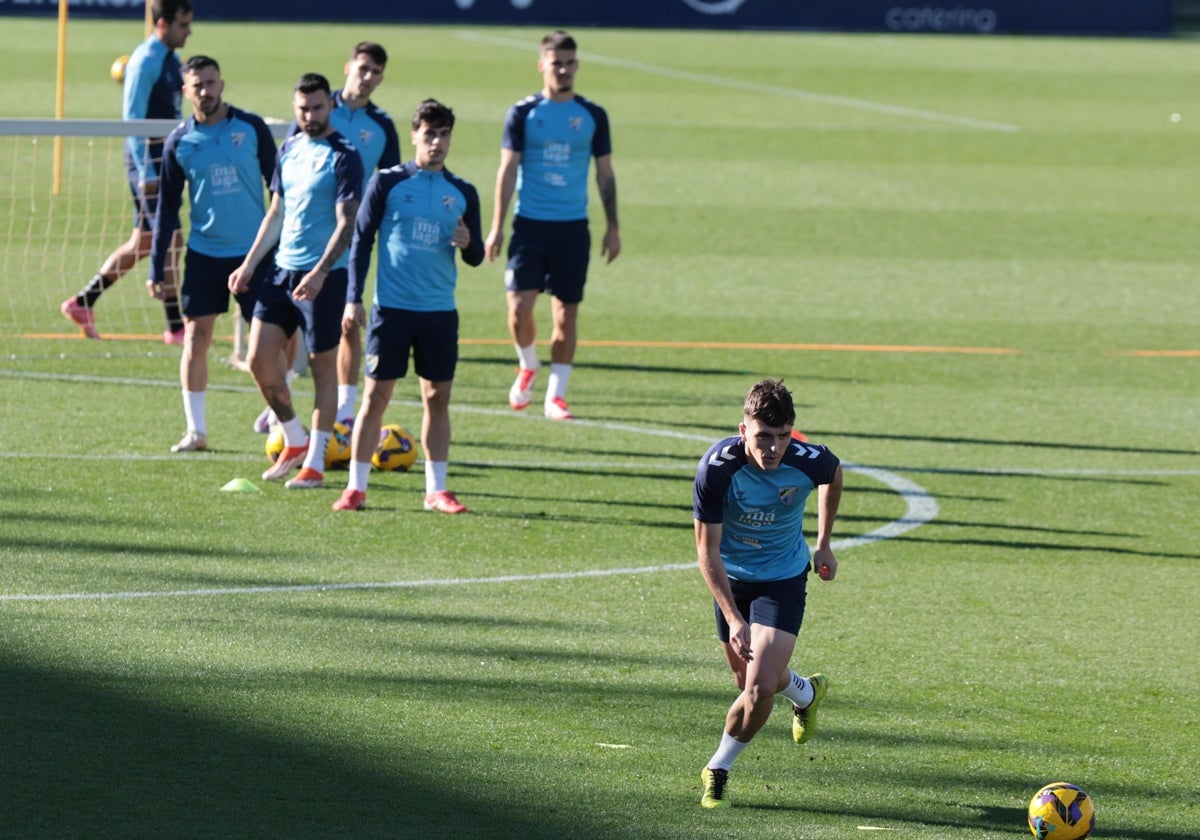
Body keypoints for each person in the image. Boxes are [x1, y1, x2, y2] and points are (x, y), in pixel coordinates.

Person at [692, 379, 844, 809]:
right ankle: (804, 693)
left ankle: (718, 767)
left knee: (757, 690)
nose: (773, 447)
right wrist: (735, 619)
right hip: (732, 581)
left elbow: (833, 474)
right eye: (763, 436)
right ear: (743, 431)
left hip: (783, 578)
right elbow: (707, 552)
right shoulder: (718, 469)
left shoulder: (806, 459)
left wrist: (824, 542)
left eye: (782, 436)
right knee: (748, 684)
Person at [334, 98, 484, 514]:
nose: (436, 142)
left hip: (438, 311)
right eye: (430, 134)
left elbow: (475, 255)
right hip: (392, 310)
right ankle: (355, 488)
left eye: (444, 134)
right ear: (415, 134)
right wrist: (353, 298)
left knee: (437, 397)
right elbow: (362, 240)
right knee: (376, 397)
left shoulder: (463, 192)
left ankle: (436, 490)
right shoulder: (387, 182)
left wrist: (471, 244)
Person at [255, 42, 401, 433]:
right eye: (363, 68)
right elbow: (288, 173)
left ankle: (345, 407)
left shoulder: (382, 126)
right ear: (349, 67)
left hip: (351, 235)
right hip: (303, 238)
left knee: (347, 323)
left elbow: (389, 183)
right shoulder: (315, 110)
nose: (367, 77)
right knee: (289, 321)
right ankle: (280, 400)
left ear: (382, 77)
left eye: (375, 71)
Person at [228, 73, 363, 489]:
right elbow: (277, 213)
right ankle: (295, 438)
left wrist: (321, 272)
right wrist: (250, 265)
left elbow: (348, 223)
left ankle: (316, 466)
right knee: (258, 361)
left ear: (330, 107)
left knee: (324, 371)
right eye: (303, 108)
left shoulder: (344, 156)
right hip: (281, 271)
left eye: (318, 107)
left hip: (325, 275)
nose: (311, 115)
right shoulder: (288, 148)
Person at [484, 30, 620, 421]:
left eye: (569, 63)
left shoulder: (592, 115)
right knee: (518, 309)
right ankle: (528, 363)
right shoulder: (524, 113)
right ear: (542, 64)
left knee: (566, 315)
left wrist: (613, 227)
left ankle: (556, 396)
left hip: (572, 228)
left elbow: (605, 175)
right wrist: (496, 228)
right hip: (529, 225)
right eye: (556, 62)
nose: (563, 69)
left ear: (577, 65)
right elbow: (507, 170)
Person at [150, 55, 278, 452]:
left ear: (222, 84)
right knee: (195, 336)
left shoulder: (252, 128)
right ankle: (197, 431)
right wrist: (158, 266)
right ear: (186, 91)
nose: (205, 91)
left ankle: (277, 413)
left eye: (211, 83)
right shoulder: (179, 142)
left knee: (272, 340)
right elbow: (167, 210)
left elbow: (280, 189)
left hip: (254, 254)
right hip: (205, 255)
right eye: (197, 85)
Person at [60, 0, 193, 344]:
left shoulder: (170, 59)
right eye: (183, 24)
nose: (189, 31)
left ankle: (83, 302)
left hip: (163, 163)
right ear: (162, 23)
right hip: (149, 165)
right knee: (171, 239)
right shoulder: (145, 61)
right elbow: (132, 120)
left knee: (144, 241)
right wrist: (148, 170)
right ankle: (176, 326)